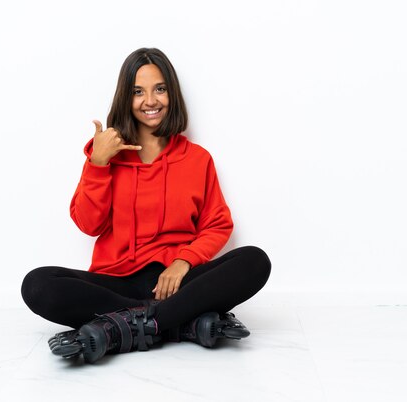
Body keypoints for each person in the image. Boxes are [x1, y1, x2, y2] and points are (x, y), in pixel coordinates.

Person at [20, 48, 271, 364]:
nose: (150, 101)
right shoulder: (106, 157)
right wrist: (97, 163)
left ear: (172, 94)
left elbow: (217, 224)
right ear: (125, 97)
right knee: (38, 285)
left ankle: (121, 326)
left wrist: (183, 262)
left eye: (160, 89)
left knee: (254, 261)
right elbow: (88, 224)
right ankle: (180, 324)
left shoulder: (197, 159)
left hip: (176, 282)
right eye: (138, 92)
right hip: (115, 283)